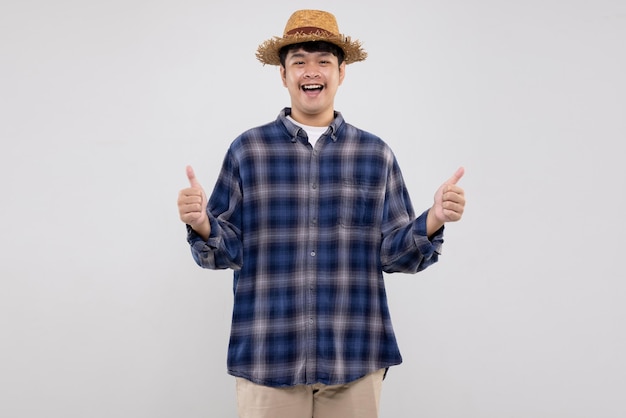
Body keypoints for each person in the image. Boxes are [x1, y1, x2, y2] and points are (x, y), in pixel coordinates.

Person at [177, 9, 466, 418]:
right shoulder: (248, 151)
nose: (311, 71)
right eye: (299, 61)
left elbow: (393, 255)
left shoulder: (375, 154)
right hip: (267, 356)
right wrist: (202, 223)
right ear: (283, 74)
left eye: (323, 61)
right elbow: (226, 253)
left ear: (341, 72)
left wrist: (433, 218)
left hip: (355, 356)